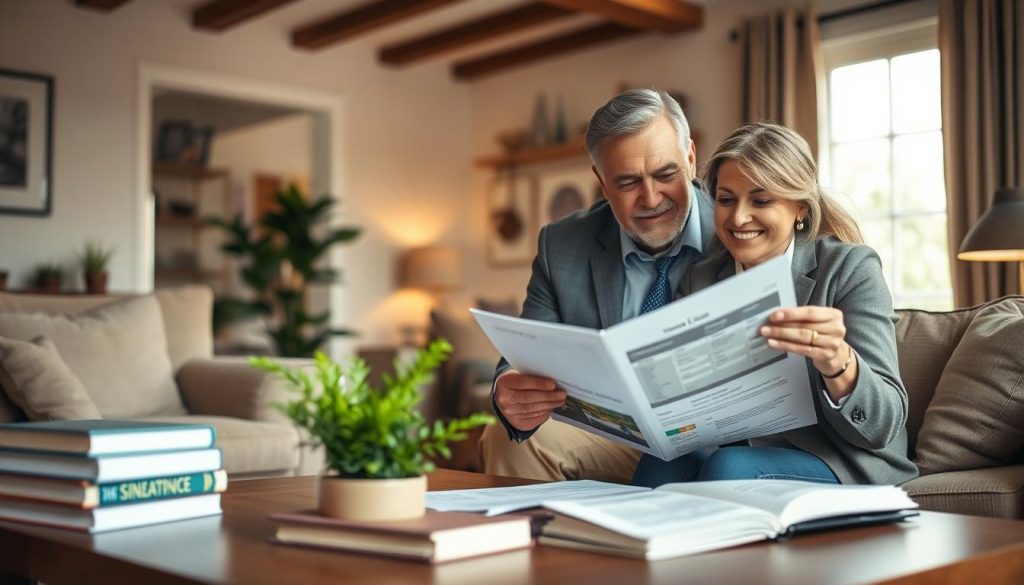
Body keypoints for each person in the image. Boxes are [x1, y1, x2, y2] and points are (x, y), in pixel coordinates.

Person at [631, 122, 919, 487]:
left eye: (761, 200)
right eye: (726, 199)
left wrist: (838, 363)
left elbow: (883, 424)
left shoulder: (850, 269)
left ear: (800, 208)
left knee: (731, 466)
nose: (738, 218)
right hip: (739, 443)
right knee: (664, 461)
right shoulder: (701, 278)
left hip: (841, 456)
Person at [479, 89, 715, 483]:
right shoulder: (562, 245)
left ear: (690, 158)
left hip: (713, 435)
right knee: (504, 438)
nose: (651, 197)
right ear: (601, 182)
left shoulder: (736, 226)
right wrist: (510, 389)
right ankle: (538, 543)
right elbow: (525, 353)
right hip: (616, 435)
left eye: (665, 174)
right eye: (627, 182)